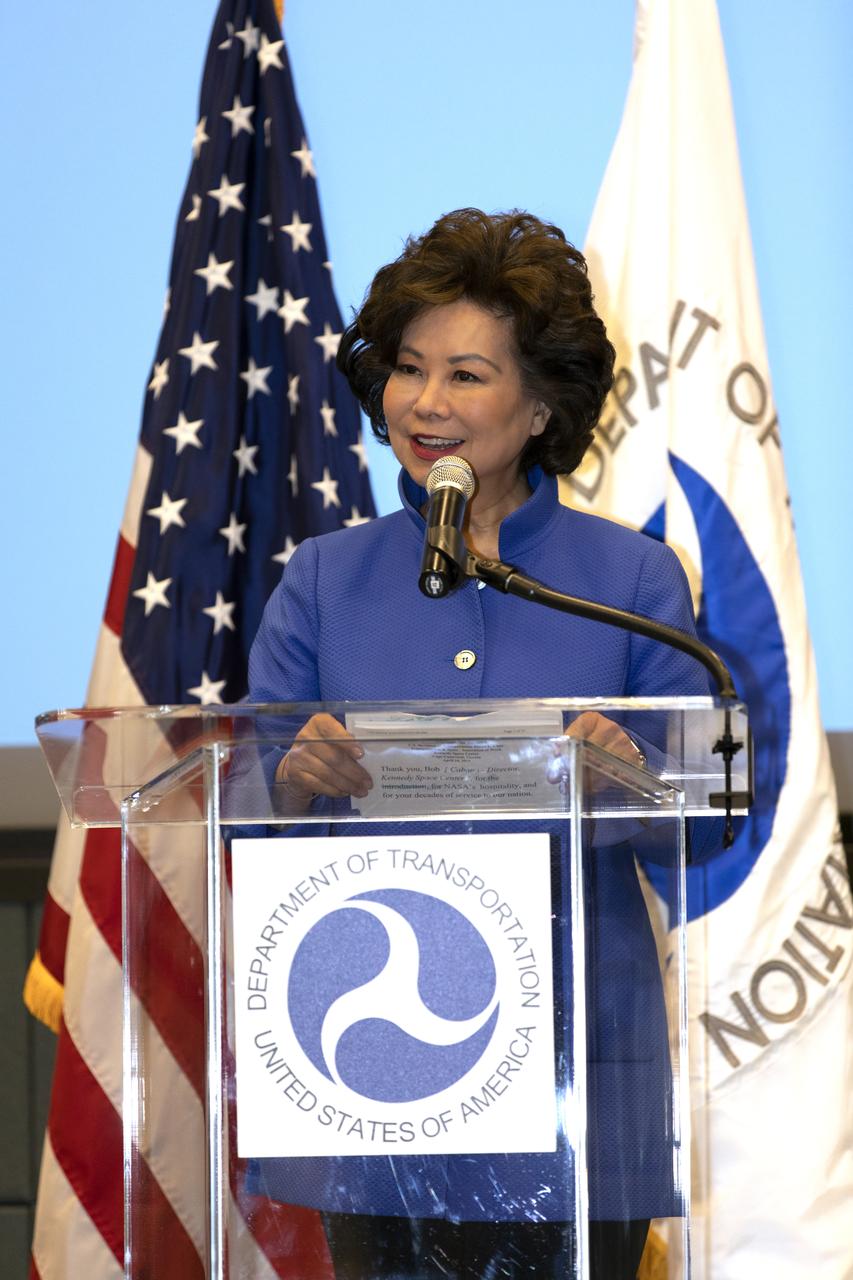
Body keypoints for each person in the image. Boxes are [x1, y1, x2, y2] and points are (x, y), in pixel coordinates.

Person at [246, 208, 709, 1279]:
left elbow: (700, 816)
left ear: (541, 401)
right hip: (372, 1064)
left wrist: (634, 776)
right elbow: (242, 787)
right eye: (409, 369)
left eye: (465, 373)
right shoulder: (324, 578)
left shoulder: (633, 582)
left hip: (574, 1075)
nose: (426, 403)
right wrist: (289, 775)